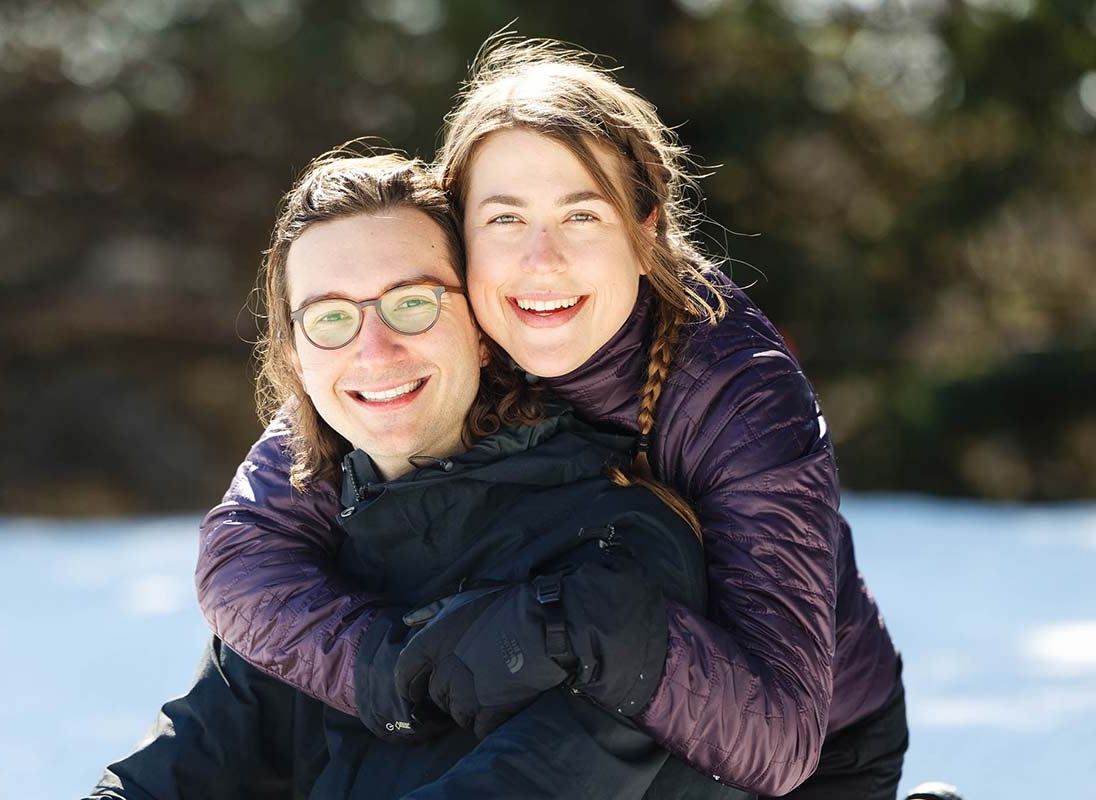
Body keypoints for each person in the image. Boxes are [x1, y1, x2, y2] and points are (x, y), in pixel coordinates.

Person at [197, 39, 907, 799]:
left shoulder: (737, 390)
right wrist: (388, 666)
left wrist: (579, 625)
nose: (542, 260)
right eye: (505, 219)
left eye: (582, 215)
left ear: (646, 230)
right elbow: (243, 553)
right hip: (578, 719)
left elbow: (781, 736)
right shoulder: (427, 335)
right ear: (459, 235)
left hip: (810, 757)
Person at [90, 153, 750, 799]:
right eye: (330, 318)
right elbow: (179, 767)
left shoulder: (618, 541)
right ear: (295, 359)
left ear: (482, 328)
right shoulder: (308, 564)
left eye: (412, 303)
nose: (374, 351)